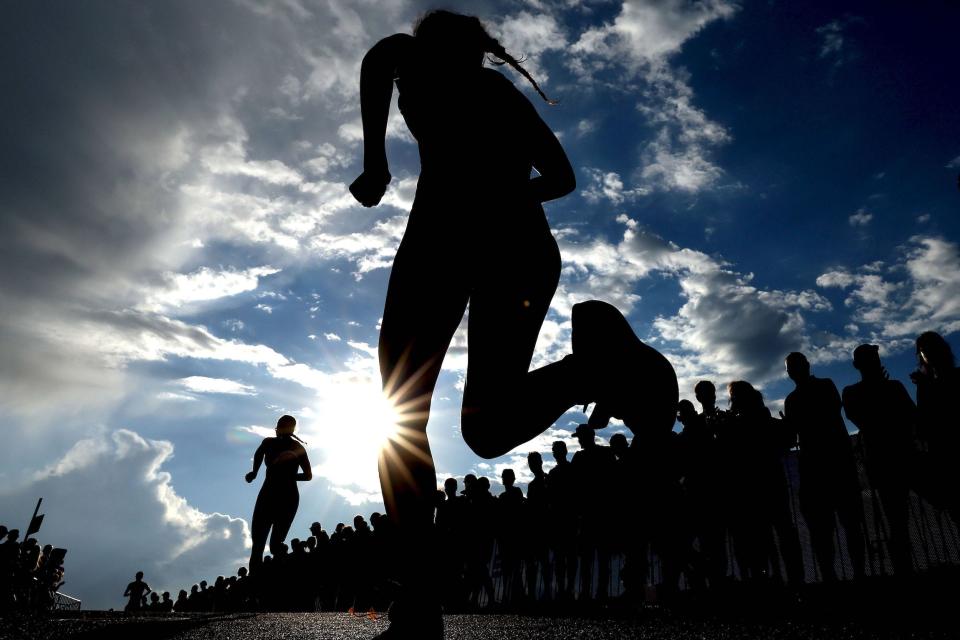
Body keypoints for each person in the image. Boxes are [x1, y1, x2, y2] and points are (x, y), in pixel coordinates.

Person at [349, 10, 677, 636]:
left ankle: (419, 599)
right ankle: (596, 367)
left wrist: (378, 164)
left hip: (475, 245)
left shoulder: (417, 64)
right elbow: (561, 177)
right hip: (491, 245)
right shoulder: (481, 85)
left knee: (404, 415)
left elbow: (376, 63)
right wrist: (504, 194)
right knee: (473, 427)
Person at [783, 352, 866, 581]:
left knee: (838, 526)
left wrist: (790, 426)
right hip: (826, 466)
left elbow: (796, 432)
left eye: (795, 366)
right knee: (830, 528)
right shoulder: (818, 389)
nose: (794, 371)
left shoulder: (812, 391)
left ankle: (849, 573)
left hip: (827, 466)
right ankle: (841, 574)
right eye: (792, 367)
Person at [842, 344, 917, 576]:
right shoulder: (870, 390)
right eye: (871, 357)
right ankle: (904, 570)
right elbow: (904, 418)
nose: (875, 360)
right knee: (897, 521)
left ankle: (903, 570)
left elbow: (910, 417)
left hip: (897, 458)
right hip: (890, 460)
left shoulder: (858, 392)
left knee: (898, 521)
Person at [245, 415, 313, 575]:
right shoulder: (268, 442)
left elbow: (308, 475)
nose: (277, 429)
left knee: (274, 545)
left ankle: (285, 572)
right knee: (258, 544)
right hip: (268, 494)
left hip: (287, 497)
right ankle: (256, 582)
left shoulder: (297, 448)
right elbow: (259, 454)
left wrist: (288, 476)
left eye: (280, 426)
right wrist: (254, 472)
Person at [910, 331, 960, 524]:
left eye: (929, 350)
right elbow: (923, 424)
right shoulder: (927, 385)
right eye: (923, 351)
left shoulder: (942, 382)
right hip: (943, 457)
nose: (926, 354)